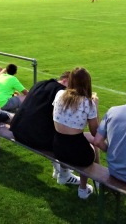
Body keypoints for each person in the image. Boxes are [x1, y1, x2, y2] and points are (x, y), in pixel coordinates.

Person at [9, 71, 81, 185]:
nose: (72, 90)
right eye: (72, 86)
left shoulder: (41, 83)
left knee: (50, 128)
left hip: (17, 129)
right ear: (65, 81)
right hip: (32, 137)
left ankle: (58, 169)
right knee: (67, 138)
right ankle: (64, 175)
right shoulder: (61, 93)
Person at [52, 67, 100, 199]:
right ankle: (83, 189)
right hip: (77, 153)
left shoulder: (60, 94)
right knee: (92, 148)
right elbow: (96, 132)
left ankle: (63, 175)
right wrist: (96, 107)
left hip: (57, 147)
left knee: (86, 141)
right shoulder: (88, 103)